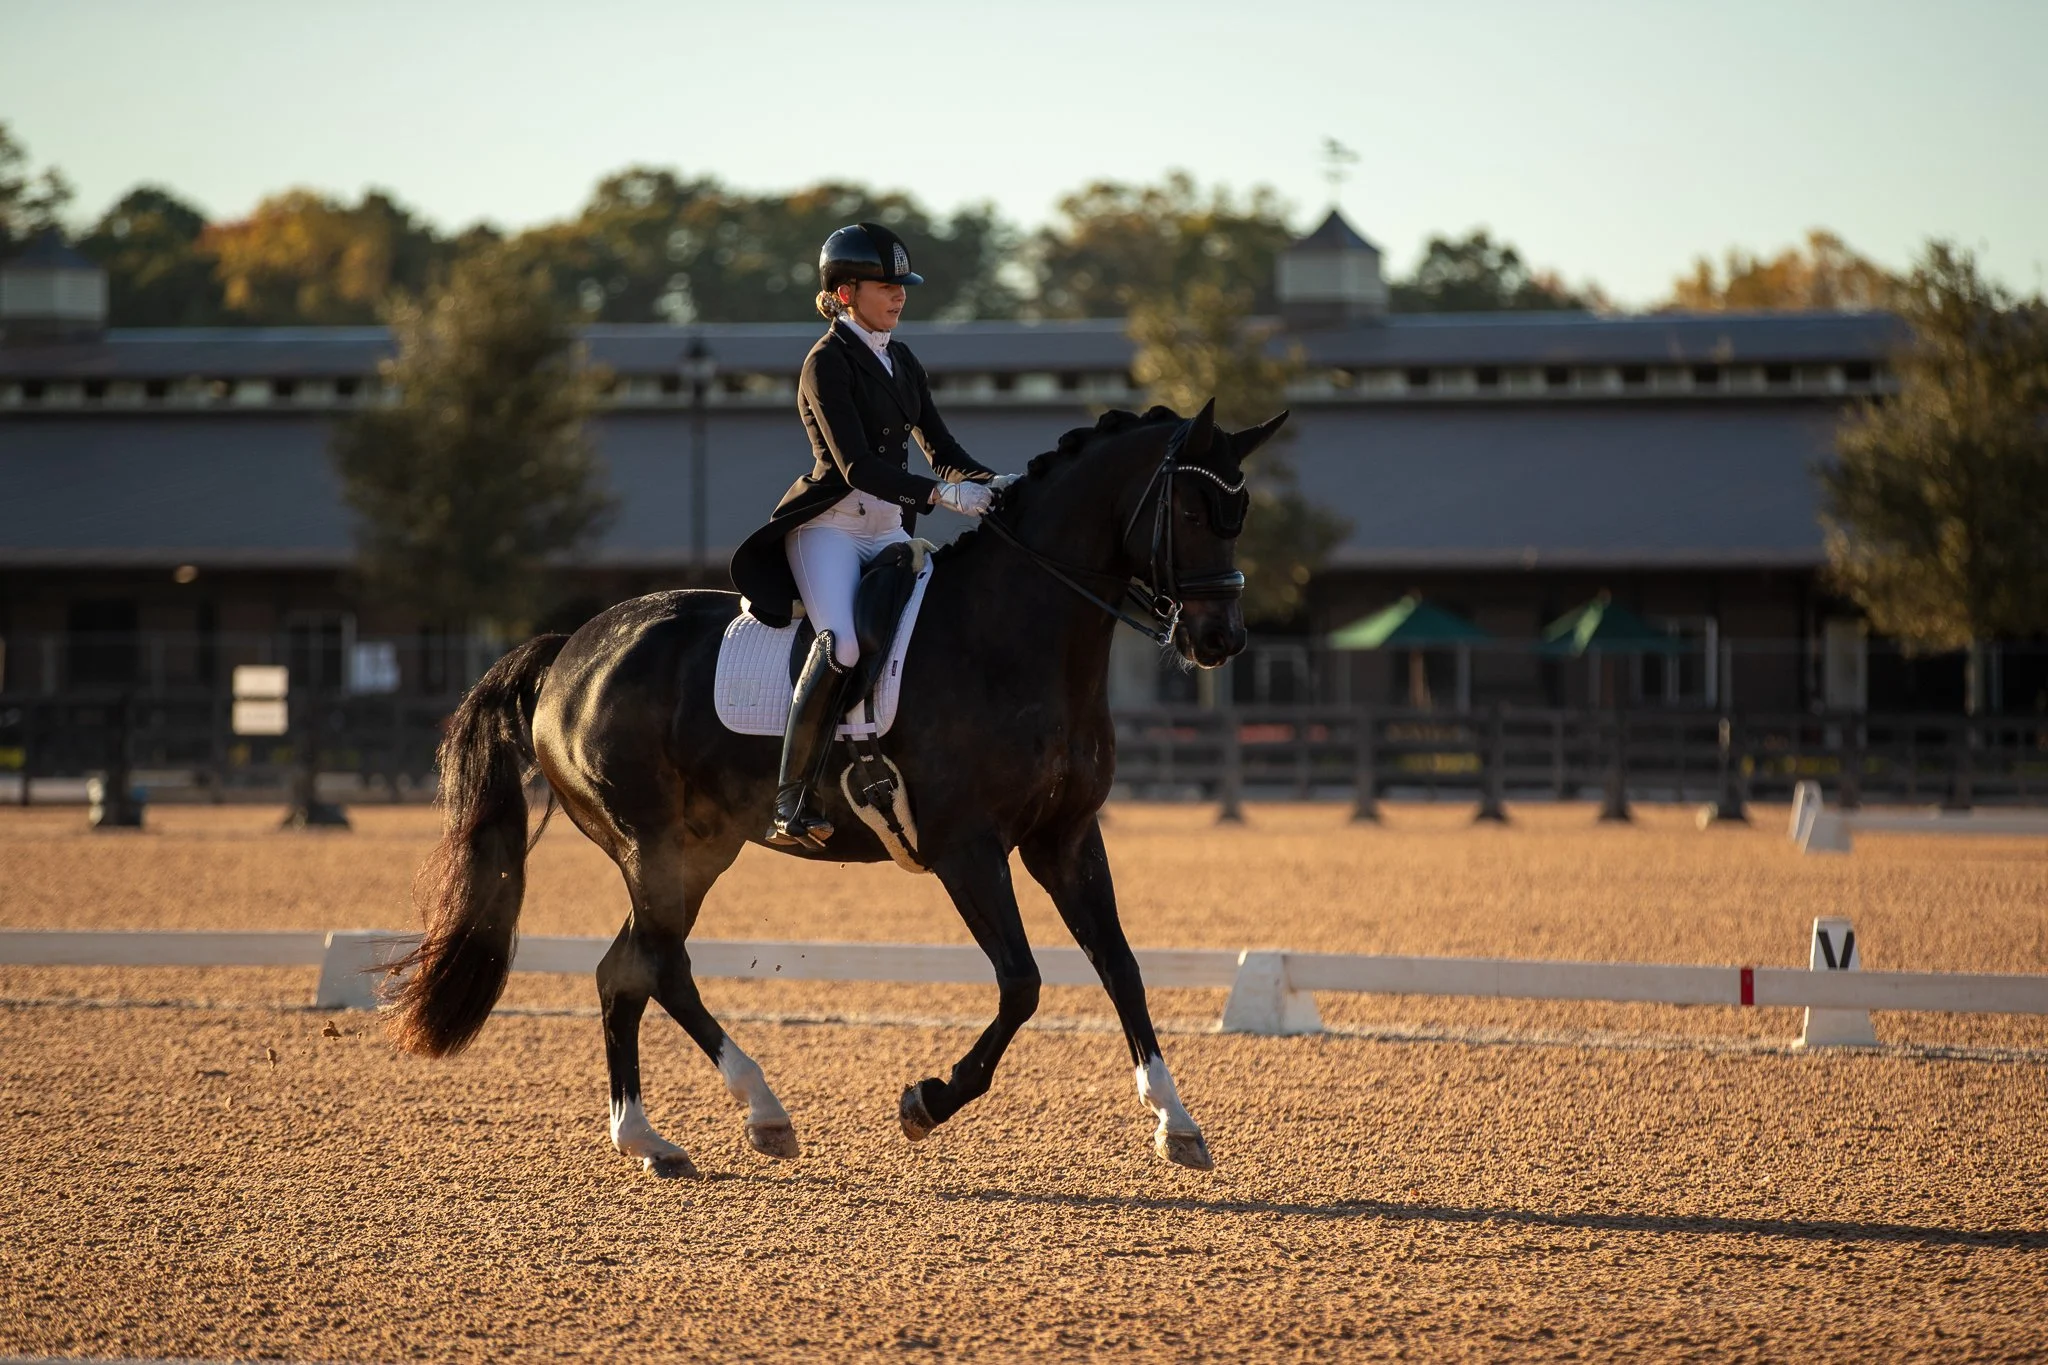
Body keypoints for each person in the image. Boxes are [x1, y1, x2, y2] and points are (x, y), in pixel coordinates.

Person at [729, 222, 1011, 850]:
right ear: (845, 291)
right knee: (845, 648)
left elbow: (942, 448)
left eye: (902, 285)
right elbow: (856, 465)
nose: (900, 295)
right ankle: (791, 799)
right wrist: (941, 497)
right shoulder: (825, 363)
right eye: (887, 285)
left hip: (887, 529)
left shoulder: (902, 360)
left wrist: (997, 482)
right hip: (830, 530)